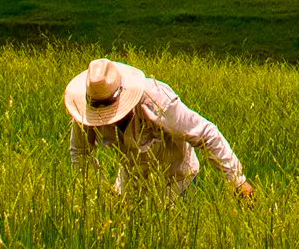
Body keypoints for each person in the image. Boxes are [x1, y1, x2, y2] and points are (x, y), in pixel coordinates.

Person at [63, 58, 255, 199]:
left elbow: (206, 133)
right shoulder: (86, 111)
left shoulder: (157, 101)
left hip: (177, 186)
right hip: (129, 189)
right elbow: (80, 152)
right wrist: (100, 192)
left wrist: (237, 181)